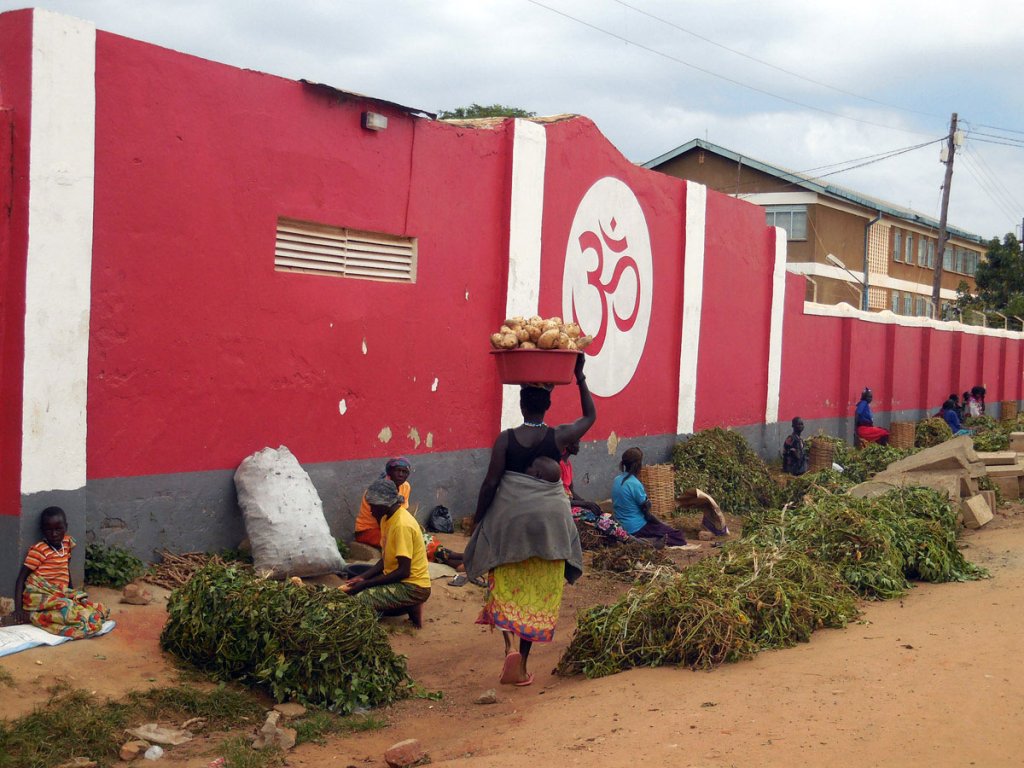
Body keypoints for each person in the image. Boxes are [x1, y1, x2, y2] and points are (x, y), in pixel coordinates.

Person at [464, 354, 594, 687]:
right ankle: (521, 664)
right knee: (537, 595)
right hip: (549, 527)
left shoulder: (505, 439)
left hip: (511, 525)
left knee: (506, 585)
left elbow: (491, 483)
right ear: (546, 407)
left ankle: (508, 645)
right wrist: (579, 376)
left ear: (521, 406)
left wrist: (479, 522)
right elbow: (590, 416)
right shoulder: (559, 436)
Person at [343, 479, 431, 627]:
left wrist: (366, 584)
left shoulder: (401, 525)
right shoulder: (386, 518)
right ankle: (412, 608)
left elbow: (403, 571)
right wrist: (362, 577)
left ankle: (413, 604)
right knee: (357, 587)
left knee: (357, 600)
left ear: (384, 504)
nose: (371, 511)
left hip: (413, 587)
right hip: (401, 579)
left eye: (373, 506)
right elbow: (386, 559)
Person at [12, 507, 109, 638]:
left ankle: (61, 610)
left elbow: (65, 570)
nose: (54, 534)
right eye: (49, 530)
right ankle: (33, 616)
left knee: (91, 607)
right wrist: (18, 609)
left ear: (66, 527)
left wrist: (72, 593)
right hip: (43, 595)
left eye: (58, 529)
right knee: (67, 609)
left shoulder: (67, 544)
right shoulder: (39, 550)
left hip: (60, 593)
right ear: (42, 530)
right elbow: (21, 578)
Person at [560, 441, 633, 545]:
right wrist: (585, 504)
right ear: (567, 445)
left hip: (571, 505)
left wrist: (587, 503)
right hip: (564, 508)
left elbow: (571, 490)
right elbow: (559, 499)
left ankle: (628, 539)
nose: (578, 447)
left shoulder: (568, 464)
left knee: (603, 514)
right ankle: (630, 540)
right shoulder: (558, 466)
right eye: (576, 443)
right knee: (602, 520)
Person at [611, 447, 687, 547]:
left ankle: (637, 540)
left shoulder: (616, 480)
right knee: (678, 536)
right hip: (637, 527)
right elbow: (647, 514)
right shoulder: (635, 484)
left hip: (621, 526)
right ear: (638, 465)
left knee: (662, 529)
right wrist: (661, 524)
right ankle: (648, 542)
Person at [354, 457, 411, 548]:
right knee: (402, 543)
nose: (401, 475)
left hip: (390, 527)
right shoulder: (379, 489)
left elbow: (403, 511)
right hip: (368, 530)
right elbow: (382, 519)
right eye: (397, 471)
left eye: (404, 472)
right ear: (390, 472)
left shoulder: (405, 486)